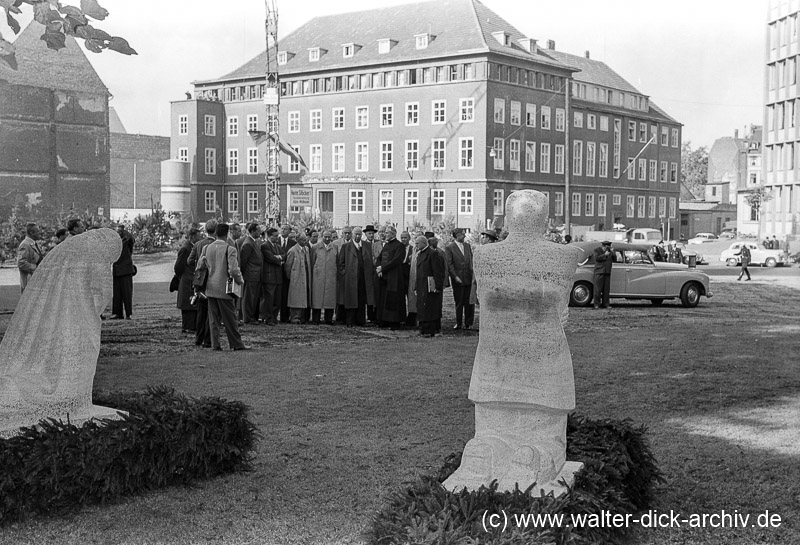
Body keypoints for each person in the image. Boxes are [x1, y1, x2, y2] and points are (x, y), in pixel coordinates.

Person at [442, 190, 584, 493]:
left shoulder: (484, 255)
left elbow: (485, 300)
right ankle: (535, 452)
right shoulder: (565, 256)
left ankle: (489, 449)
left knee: (491, 434)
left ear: (507, 220)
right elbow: (560, 306)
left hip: (495, 372)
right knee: (544, 438)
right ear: (545, 222)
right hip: (544, 372)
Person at [201, 223, 248, 350]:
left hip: (210, 288)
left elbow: (200, 267)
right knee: (230, 319)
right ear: (227, 234)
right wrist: (240, 280)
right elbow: (233, 270)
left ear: (215, 233)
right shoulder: (230, 249)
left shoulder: (206, 248)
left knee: (213, 319)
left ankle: (215, 344)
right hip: (225, 289)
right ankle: (236, 344)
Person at [188, 219, 218, 348]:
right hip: (212, 280)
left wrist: (197, 265)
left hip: (200, 280)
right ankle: (207, 339)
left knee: (201, 311)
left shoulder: (198, 244)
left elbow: (189, 261)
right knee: (211, 311)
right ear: (216, 230)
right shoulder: (217, 245)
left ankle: (198, 338)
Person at [338, 226, 374, 327]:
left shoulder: (367, 245)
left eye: (359, 234)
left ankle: (361, 320)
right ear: (352, 235)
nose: (357, 236)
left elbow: (370, 260)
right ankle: (350, 321)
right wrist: (345, 273)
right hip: (350, 278)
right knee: (351, 300)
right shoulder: (346, 247)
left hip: (364, 277)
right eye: (356, 234)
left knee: (361, 299)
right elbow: (341, 263)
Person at [414, 236, 446, 337]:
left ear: (424, 243)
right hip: (421, 285)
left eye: (417, 243)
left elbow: (438, 271)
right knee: (421, 307)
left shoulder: (432, 254)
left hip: (429, 285)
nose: (416, 246)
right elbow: (418, 273)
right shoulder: (419, 254)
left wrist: (438, 286)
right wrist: (416, 287)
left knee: (429, 308)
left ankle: (429, 330)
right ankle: (422, 328)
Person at [375, 225, 406, 329]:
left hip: (394, 277)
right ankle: (384, 320)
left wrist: (382, 268)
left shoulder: (399, 246)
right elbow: (379, 258)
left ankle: (394, 322)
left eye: (387, 233)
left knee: (393, 299)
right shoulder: (386, 245)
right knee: (383, 299)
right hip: (384, 277)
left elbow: (396, 261)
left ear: (393, 234)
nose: (385, 234)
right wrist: (379, 268)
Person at [445, 227, 475, 329]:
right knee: (459, 301)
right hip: (458, 279)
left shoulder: (467, 246)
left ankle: (468, 323)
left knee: (469, 302)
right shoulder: (450, 247)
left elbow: (471, 260)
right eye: (463, 234)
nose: (465, 235)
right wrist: (455, 276)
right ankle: (458, 323)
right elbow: (449, 264)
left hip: (468, 277)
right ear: (457, 235)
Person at [174, 227, 202, 333]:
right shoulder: (186, 249)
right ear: (192, 237)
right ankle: (188, 326)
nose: (200, 239)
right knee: (188, 304)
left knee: (191, 303)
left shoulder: (191, 247)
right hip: (186, 279)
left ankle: (191, 326)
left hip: (190, 279)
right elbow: (178, 267)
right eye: (198, 237)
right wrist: (182, 275)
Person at [309, 230, 339, 325]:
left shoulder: (335, 248)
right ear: (322, 237)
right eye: (325, 237)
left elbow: (337, 262)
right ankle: (316, 319)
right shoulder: (315, 247)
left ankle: (328, 319)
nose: (327, 239)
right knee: (317, 299)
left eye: (329, 237)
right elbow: (312, 261)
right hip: (318, 277)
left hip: (331, 277)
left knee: (330, 299)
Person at [238, 222, 264, 324]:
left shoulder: (254, 242)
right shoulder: (248, 243)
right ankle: (248, 318)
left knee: (253, 297)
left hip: (255, 274)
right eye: (257, 230)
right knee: (249, 298)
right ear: (252, 231)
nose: (259, 232)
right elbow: (243, 261)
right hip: (250, 275)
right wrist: (244, 274)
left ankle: (252, 317)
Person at [284, 232, 311, 324]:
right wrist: (292, 277)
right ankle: (294, 317)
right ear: (298, 241)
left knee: (304, 297)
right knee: (295, 298)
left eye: (306, 240)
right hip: (296, 278)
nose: (305, 242)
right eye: (303, 240)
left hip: (305, 277)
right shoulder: (292, 251)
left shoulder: (306, 249)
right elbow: (288, 266)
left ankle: (303, 317)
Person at [259, 227, 284, 326]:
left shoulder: (277, 246)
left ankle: (274, 317)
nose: (277, 238)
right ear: (269, 236)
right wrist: (279, 259)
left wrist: (278, 257)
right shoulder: (265, 246)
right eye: (275, 236)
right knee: (269, 298)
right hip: (269, 277)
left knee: (277, 299)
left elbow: (284, 255)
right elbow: (270, 258)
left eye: (278, 236)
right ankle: (268, 318)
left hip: (278, 277)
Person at [111, 224, 135, 319]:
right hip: (118, 269)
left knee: (126, 293)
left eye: (119, 231)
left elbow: (131, 240)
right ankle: (118, 313)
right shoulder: (115, 243)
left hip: (125, 270)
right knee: (117, 294)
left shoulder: (127, 241)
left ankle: (128, 313)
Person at [17, 222, 43, 294]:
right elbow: (21, 263)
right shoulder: (25, 245)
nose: (39, 233)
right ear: (32, 233)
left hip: (35, 280)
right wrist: (36, 268)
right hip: (29, 281)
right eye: (37, 231)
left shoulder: (33, 244)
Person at [278, 225, 296, 322]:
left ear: (289, 231)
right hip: (276, 271)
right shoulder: (275, 240)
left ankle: (284, 317)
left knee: (285, 295)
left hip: (288, 273)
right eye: (282, 228)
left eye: (285, 229)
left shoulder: (293, 243)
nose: (283, 230)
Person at [364, 225, 382, 324]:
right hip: (367, 272)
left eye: (372, 233)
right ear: (365, 234)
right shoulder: (363, 244)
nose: (371, 235)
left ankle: (377, 315)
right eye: (369, 233)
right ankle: (369, 315)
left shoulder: (378, 243)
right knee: (368, 294)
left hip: (376, 271)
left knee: (376, 294)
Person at [593, 241, 615, 309]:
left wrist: (613, 253)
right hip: (599, 271)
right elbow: (597, 258)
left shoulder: (610, 252)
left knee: (606, 290)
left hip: (607, 272)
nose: (607, 248)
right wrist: (604, 255)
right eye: (607, 247)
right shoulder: (597, 250)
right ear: (604, 246)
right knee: (597, 289)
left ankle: (606, 303)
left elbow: (615, 259)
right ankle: (596, 303)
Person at [400, 231, 415, 327]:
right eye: (402, 238)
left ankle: (411, 319)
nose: (403, 239)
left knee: (411, 298)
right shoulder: (398, 248)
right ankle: (401, 317)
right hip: (400, 276)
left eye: (405, 237)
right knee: (400, 298)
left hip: (409, 276)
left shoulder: (413, 249)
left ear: (409, 238)